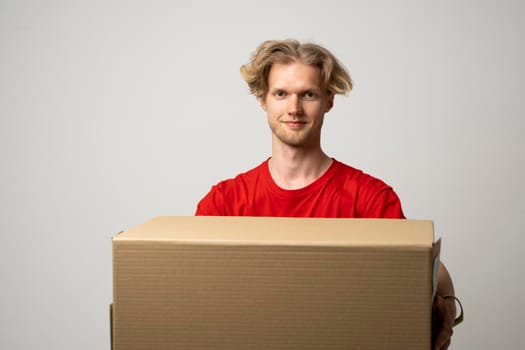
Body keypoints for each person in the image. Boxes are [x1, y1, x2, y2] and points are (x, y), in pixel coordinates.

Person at [196, 39, 458, 350]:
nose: (294, 108)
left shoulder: (370, 197)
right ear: (263, 100)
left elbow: (422, 264)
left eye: (308, 94)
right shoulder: (224, 202)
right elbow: (200, 289)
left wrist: (447, 308)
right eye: (281, 94)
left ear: (328, 101)